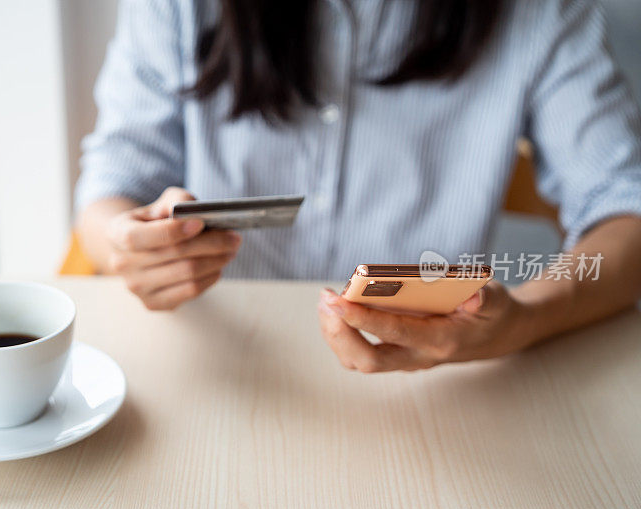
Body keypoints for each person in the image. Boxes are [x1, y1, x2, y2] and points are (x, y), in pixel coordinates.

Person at [75, 0, 641, 373]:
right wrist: (128, 244)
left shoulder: (541, 12)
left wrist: (527, 317)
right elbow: (111, 187)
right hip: (216, 360)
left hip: (444, 388)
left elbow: (626, 210)